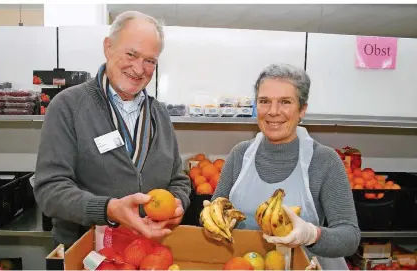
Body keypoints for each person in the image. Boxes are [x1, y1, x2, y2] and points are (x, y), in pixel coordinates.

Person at [33, 11, 191, 249]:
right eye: (131, 54)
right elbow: (50, 190)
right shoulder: (68, 106)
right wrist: (108, 209)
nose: (139, 69)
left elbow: (178, 179)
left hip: (145, 253)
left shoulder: (159, 113)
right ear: (108, 47)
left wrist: (178, 202)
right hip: (86, 252)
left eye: (150, 61)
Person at [208, 63, 360, 270]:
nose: (273, 111)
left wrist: (311, 234)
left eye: (285, 102)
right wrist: (212, 225)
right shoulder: (240, 154)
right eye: (264, 101)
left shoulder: (324, 160)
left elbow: (350, 237)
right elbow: (215, 213)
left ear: (302, 109)